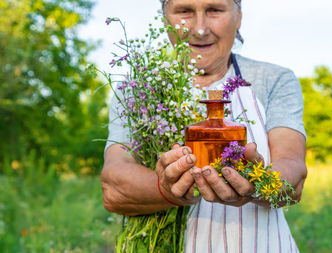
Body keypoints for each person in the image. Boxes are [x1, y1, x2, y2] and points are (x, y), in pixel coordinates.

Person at [101, 0, 307, 252]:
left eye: (214, 10)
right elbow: (113, 187)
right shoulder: (140, 90)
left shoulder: (273, 80)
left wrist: (257, 186)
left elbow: (294, 178)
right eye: (184, 10)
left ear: (238, 17)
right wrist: (167, 189)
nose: (199, 29)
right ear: (165, 18)